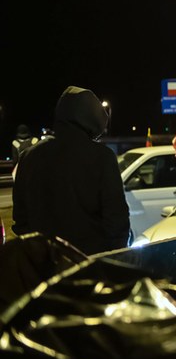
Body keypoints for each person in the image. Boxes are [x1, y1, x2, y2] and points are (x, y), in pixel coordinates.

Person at [12, 86, 129, 254]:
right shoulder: (102, 157)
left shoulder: (28, 157)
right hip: (88, 267)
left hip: (41, 266)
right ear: (94, 120)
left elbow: (20, 220)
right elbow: (117, 221)